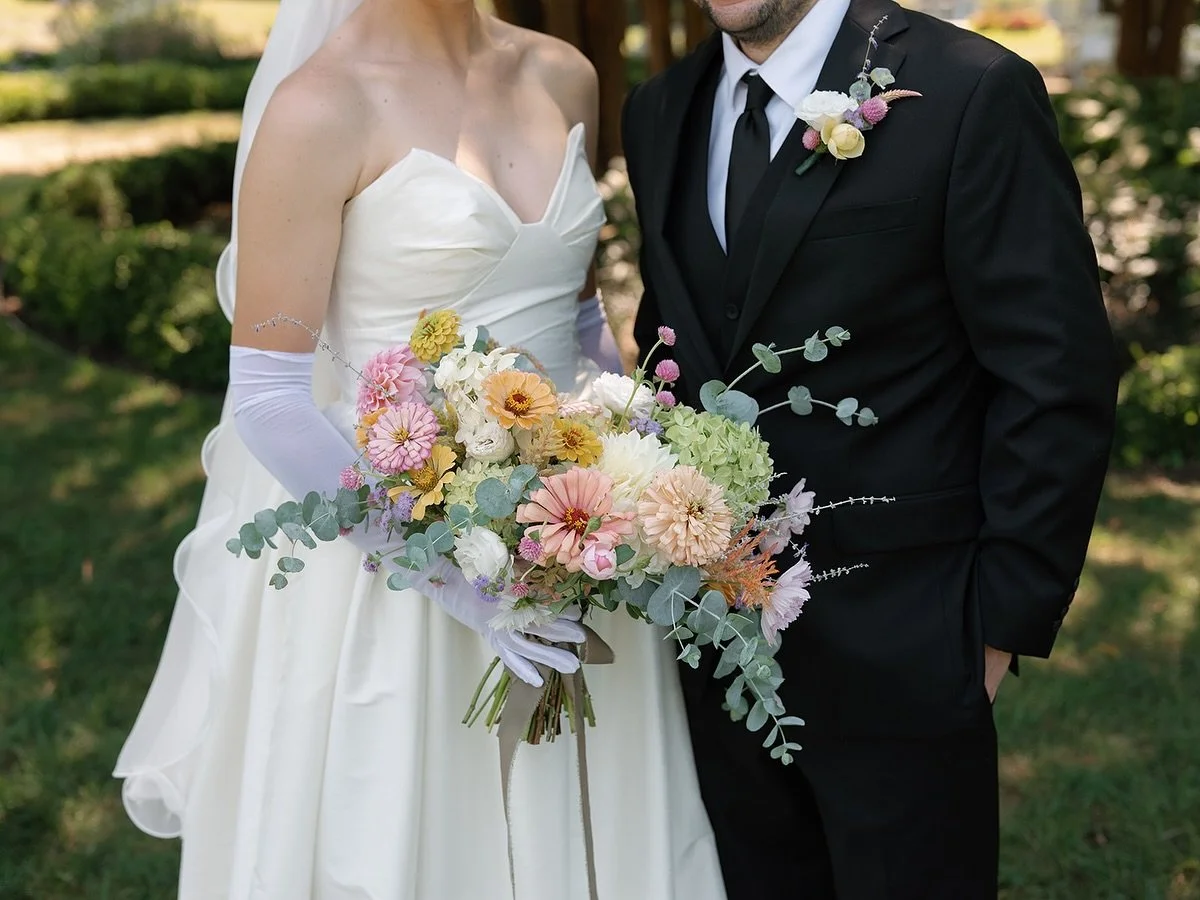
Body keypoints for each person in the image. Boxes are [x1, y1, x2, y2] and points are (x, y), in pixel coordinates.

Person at [114, 1, 726, 897]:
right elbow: (273, 399)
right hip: (394, 578)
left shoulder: (564, 75)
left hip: (578, 555)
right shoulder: (320, 107)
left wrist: (625, 471)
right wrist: (469, 590)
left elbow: (579, 314)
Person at [623, 0, 1119, 896]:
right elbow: (671, 340)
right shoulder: (660, 108)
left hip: (912, 641)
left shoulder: (972, 89)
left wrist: (992, 634)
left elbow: (1057, 373)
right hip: (712, 636)